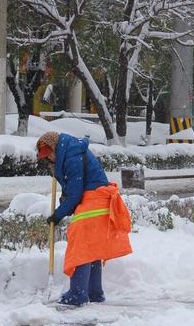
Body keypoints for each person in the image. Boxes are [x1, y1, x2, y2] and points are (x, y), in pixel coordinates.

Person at [36, 131, 133, 306]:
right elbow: (73, 187)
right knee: (92, 246)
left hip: (94, 200)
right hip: (99, 199)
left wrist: (57, 215)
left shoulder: (71, 156)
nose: (49, 158)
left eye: (49, 154)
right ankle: (94, 292)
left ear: (54, 147)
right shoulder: (69, 152)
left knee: (82, 245)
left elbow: (75, 192)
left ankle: (78, 293)